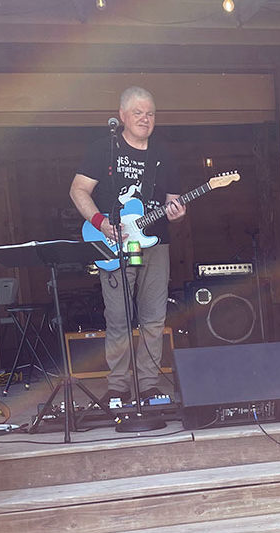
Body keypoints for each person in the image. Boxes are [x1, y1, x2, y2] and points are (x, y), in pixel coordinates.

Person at [70, 86, 185, 405]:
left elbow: (173, 202)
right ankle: (118, 385)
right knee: (118, 316)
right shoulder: (102, 149)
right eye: (138, 113)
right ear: (121, 116)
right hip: (114, 242)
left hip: (155, 242)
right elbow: (78, 190)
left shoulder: (164, 153)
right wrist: (101, 223)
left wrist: (177, 212)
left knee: (154, 316)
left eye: (150, 113)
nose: (145, 119)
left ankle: (148, 383)